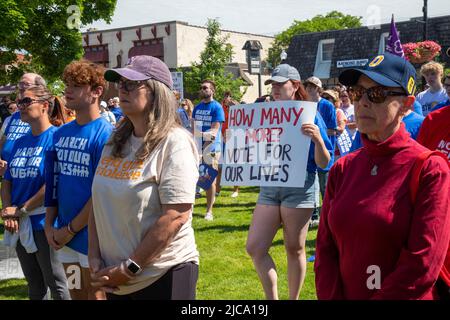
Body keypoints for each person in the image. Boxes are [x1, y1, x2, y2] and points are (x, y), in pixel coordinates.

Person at [315, 52, 450, 300]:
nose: (362, 102)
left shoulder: (430, 169)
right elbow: (325, 250)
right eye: (357, 92)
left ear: (407, 105)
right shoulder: (342, 169)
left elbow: (423, 263)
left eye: (376, 94)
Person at [89, 55, 199, 300]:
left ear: (156, 92)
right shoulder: (115, 140)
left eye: (131, 83)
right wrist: (94, 257)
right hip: (116, 278)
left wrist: (130, 267)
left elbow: (176, 216)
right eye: (120, 83)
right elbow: (99, 203)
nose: (122, 89)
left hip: (163, 273)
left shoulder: (175, 142)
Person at [246, 64, 332, 300]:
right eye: (272, 84)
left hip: (301, 185)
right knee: (255, 247)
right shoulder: (264, 113)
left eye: (279, 83)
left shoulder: (311, 114)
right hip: (270, 183)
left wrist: (317, 140)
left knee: (294, 248)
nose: (274, 88)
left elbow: (325, 162)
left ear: (295, 86)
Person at [44, 60, 113, 300]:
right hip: (64, 234)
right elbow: (53, 182)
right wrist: (49, 224)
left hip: (92, 238)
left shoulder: (105, 134)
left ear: (96, 92)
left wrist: (70, 230)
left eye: (76, 85)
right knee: (76, 293)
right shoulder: (61, 133)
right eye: (67, 85)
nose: (67, 91)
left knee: (95, 296)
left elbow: (100, 192)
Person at [1, 83, 70, 300]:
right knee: (35, 285)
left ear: (44, 106)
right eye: (19, 101)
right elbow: (7, 180)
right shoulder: (19, 142)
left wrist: (21, 209)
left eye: (26, 101)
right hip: (20, 221)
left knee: (57, 283)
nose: (19, 105)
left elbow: (53, 182)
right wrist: (9, 210)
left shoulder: (58, 137)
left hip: (44, 221)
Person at [304, 77, 337, 226]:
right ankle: (315, 215)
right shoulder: (302, 106)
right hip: (309, 154)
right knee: (312, 185)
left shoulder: (327, 106)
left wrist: (318, 131)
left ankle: (330, 214)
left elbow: (333, 130)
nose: (309, 88)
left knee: (324, 186)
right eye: (307, 86)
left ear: (319, 89)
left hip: (324, 150)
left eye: (312, 86)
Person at [191, 80, 225, 221]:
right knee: (194, 177)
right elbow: (194, 129)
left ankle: (209, 211)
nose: (202, 90)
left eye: (205, 88)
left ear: (212, 90)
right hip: (197, 146)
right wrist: (195, 145)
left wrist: (201, 143)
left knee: (209, 178)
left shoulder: (217, 107)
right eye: (201, 88)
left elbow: (214, 131)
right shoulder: (197, 108)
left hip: (211, 148)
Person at [0, 73, 43, 176]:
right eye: (20, 84)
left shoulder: (42, 115)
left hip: (27, 175)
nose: (21, 87)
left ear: (40, 89)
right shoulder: (15, 116)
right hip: (7, 173)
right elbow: (3, 140)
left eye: (26, 84)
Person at [217, 91, 240, 198]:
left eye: (229, 96)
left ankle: (236, 190)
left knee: (233, 164)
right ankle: (217, 189)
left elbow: (243, 115)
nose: (227, 98)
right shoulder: (219, 107)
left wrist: (234, 106)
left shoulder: (235, 105)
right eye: (226, 96)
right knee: (220, 166)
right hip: (221, 137)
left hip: (232, 136)